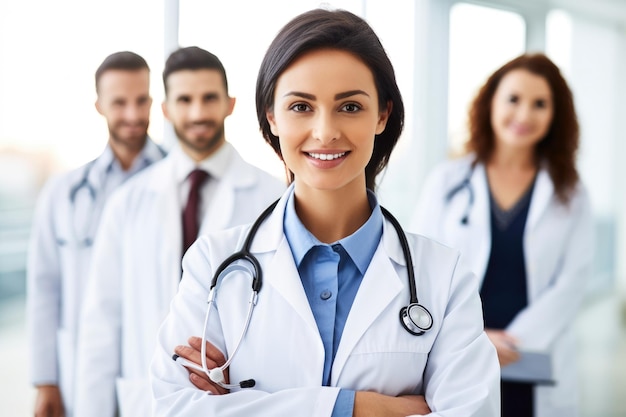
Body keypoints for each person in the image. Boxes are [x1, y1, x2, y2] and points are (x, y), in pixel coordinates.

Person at [150, 8, 500, 417]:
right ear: (271, 116)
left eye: (349, 107)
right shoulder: (213, 263)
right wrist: (357, 407)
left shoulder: (444, 276)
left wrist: (245, 407)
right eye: (301, 106)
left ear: (382, 115)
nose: (325, 131)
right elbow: (175, 407)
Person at [73, 46, 286, 417]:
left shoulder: (274, 198)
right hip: (145, 399)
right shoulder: (127, 202)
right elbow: (101, 325)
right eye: (185, 100)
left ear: (230, 103)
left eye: (209, 98)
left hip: (238, 399)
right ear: (167, 109)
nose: (198, 113)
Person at [410, 53, 593, 417]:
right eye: (513, 99)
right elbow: (419, 268)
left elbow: (573, 280)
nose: (524, 115)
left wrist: (513, 343)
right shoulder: (447, 181)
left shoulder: (570, 192)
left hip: (533, 352)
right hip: (460, 348)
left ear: (555, 115)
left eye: (540, 104)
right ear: (490, 102)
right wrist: (476, 339)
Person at [25, 51, 164, 417]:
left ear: (152, 101)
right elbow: (44, 290)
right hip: (81, 368)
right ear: (99, 105)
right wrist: (46, 381)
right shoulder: (62, 194)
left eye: (141, 101)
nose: (133, 115)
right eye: (119, 103)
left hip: (155, 364)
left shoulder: (178, 184)